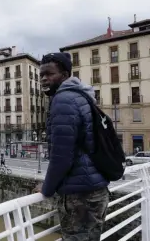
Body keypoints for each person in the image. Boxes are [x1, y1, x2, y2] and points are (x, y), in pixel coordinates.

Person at [34, 52, 109, 241]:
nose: (44, 79)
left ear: (65, 75)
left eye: (49, 74)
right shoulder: (81, 96)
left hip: (80, 196)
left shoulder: (63, 101)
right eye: (41, 75)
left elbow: (61, 156)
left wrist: (46, 189)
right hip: (96, 191)